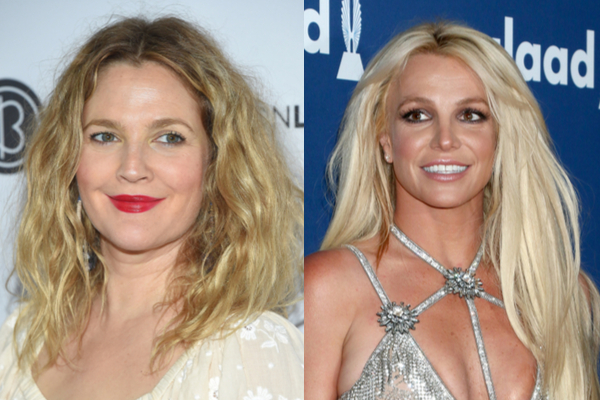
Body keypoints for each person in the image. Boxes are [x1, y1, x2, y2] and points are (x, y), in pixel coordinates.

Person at [0, 16, 304, 399]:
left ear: (216, 162)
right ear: (67, 158)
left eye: (169, 138)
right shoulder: (18, 341)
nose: (132, 168)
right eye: (105, 136)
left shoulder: (254, 348)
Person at [305, 21, 600, 400]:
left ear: (500, 137)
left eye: (471, 115)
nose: (445, 140)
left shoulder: (561, 296)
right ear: (386, 140)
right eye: (417, 115)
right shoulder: (329, 288)